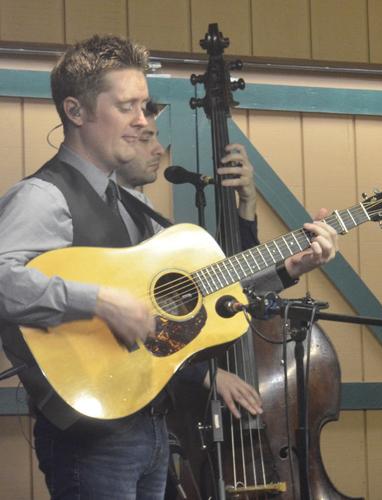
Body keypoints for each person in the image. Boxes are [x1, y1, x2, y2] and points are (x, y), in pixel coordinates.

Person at [0, 35, 339, 499]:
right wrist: (98, 300)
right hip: (91, 437)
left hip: (150, 424)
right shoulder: (44, 196)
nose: (144, 121)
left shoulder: (130, 204)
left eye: (145, 106)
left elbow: (197, 290)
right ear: (76, 112)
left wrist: (287, 268)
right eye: (127, 107)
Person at [115, 100, 263, 419]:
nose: (158, 149)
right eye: (146, 139)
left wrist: (247, 202)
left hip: (152, 413)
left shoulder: (146, 216)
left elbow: (230, 279)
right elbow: (119, 329)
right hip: (113, 412)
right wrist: (207, 374)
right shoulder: (96, 218)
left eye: (157, 138)